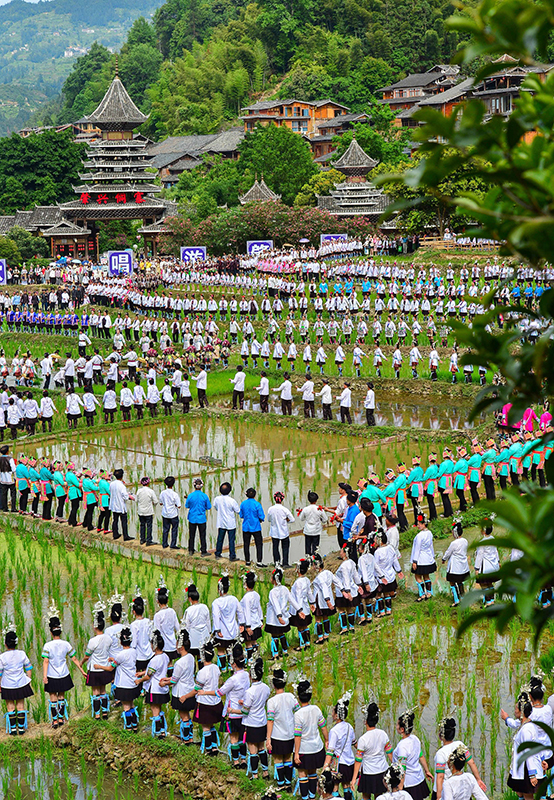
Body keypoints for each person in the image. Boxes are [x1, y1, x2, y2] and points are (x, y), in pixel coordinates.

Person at [42, 603, 85, 729]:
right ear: (60, 631)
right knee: (61, 696)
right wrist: (81, 669)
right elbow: (74, 658)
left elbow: (46, 662)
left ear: (51, 631)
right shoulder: (66, 644)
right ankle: (61, 718)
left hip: (51, 674)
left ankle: (54, 720)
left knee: (53, 697)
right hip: (64, 674)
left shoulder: (47, 646)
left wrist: (44, 676)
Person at [97, 627, 140, 732]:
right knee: (131, 704)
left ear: (120, 642)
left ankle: (129, 728)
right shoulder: (133, 652)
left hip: (123, 684)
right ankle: (135, 725)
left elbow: (111, 667)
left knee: (126, 706)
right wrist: (114, 659)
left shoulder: (120, 655)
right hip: (133, 683)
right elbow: (122, 661)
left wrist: (99, 666)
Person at [434, 716, 486, 800]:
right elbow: (471, 762)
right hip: (461, 787)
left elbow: (440, 776)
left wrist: (439, 797)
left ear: (441, 736)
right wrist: (478, 779)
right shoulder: (460, 745)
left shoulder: (441, 753)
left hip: (445, 790)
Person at [294, 678, 329, 800]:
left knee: (302, 774)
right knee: (313, 772)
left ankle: (305, 798)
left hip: (304, 749)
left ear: (298, 696)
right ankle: (312, 797)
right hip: (316, 748)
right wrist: (326, 740)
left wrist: (296, 753)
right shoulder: (316, 709)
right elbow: (323, 727)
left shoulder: (298, 714)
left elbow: (298, 736)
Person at [351, 702, 393, 800]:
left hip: (368, 773)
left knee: (366, 797)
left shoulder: (363, 739)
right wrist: (396, 767)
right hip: (382, 770)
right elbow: (390, 753)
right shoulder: (383, 734)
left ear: (365, 721)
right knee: (379, 796)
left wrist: (353, 779)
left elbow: (358, 761)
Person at [267, 666, 299, 791]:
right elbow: (297, 712)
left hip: (277, 735)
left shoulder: (272, 701)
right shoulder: (291, 696)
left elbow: (270, 720)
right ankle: (288, 784)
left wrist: (268, 738)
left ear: (273, 685)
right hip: (290, 734)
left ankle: (281, 784)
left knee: (278, 759)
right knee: (287, 758)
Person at [506, 695, 544, 800]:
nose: (514, 711)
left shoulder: (526, 729)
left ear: (522, 712)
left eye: (515, 709)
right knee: (520, 792)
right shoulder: (527, 725)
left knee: (528, 796)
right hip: (523, 766)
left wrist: (532, 775)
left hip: (527, 768)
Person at [0, 624, 34, 735]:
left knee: (10, 706)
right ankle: (21, 728)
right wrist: (28, 680)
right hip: (21, 683)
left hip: (7, 684)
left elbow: (0, 673)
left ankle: (13, 730)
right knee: (20, 706)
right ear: (16, 643)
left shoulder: (2, 657)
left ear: (5, 644)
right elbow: (28, 668)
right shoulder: (22, 654)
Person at [81, 601, 112, 721]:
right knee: (103, 690)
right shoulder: (108, 639)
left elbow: (87, 655)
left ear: (95, 626)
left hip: (94, 668)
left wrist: (81, 662)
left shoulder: (93, 641)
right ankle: (105, 713)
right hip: (104, 667)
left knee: (95, 692)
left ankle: (97, 714)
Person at [136, 630, 170, 738]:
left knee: (155, 710)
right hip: (163, 688)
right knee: (159, 709)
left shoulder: (155, 660)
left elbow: (149, 676)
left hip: (154, 688)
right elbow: (155, 671)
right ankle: (163, 730)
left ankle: (158, 733)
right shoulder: (165, 657)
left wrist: (139, 680)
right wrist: (142, 672)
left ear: (154, 646)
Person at [242, 656, 271, 779]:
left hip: (251, 723)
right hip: (262, 722)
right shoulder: (266, 688)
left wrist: (232, 710)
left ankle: (255, 775)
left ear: (251, 676)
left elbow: (245, 711)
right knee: (261, 748)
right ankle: (266, 772)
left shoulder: (250, 691)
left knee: (253, 750)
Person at [393, 710, 432, 800]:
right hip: (419, 778)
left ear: (402, 729)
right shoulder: (415, 738)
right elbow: (421, 756)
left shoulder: (402, 746)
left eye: (397, 725)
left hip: (409, 783)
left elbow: (403, 768)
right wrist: (427, 771)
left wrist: (400, 786)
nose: (396, 727)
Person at [324, 691, 356, 800]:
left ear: (337, 715)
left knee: (335, 786)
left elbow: (330, 751)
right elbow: (354, 743)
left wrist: (325, 766)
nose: (331, 713)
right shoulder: (349, 727)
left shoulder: (334, 731)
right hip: (349, 762)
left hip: (338, 764)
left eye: (333, 711)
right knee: (346, 786)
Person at [265, 566, 302, 658]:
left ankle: (275, 654)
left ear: (274, 579)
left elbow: (275, 604)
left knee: (274, 636)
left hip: (274, 618)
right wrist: (299, 610)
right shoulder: (285, 589)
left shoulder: (272, 592)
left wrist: (279, 616)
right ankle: (285, 651)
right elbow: (292, 600)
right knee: (281, 633)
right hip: (284, 617)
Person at [193, 638, 222, 755]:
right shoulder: (216, 668)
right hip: (216, 702)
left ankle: (209, 749)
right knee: (212, 725)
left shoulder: (202, 672)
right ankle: (214, 747)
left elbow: (197, 688)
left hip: (205, 703)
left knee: (206, 727)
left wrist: (185, 696)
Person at [211, 573, 245, 670]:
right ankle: (231, 667)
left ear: (219, 589)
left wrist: (217, 630)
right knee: (230, 650)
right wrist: (242, 624)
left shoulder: (216, 602)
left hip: (222, 631)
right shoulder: (234, 599)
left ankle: (223, 668)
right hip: (233, 630)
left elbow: (216, 616)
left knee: (221, 650)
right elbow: (240, 611)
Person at [182, 583, 211, 668]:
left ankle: (193, 674)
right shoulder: (204, 607)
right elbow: (208, 622)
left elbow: (186, 625)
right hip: (204, 635)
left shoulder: (189, 610)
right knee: (201, 655)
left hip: (193, 636)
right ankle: (202, 671)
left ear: (190, 599)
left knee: (192, 656)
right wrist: (209, 633)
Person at [442, 520, 470, 607]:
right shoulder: (465, 541)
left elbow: (448, 553)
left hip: (455, 566)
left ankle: (456, 600)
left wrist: (443, 559)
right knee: (460, 582)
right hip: (463, 566)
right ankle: (463, 598)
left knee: (452, 582)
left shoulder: (454, 543)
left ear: (455, 533)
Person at [153, 578, 180, 665]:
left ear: (157, 601)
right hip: (172, 643)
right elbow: (178, 628)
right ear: (167, 600)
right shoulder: (172, 611)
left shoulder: (157, 615)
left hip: (163, 645)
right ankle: (171, 677)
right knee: (170, 663)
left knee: (165, 664)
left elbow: (157, 631)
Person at [410, 512, 436, 601]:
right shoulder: (430, 533)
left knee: (418, 576)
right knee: (426, 576)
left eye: (419, 524)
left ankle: (422, 594)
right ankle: (429, 593)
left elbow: (417, 549)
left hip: (420, 559)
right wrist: (433, 556)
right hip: (428, 558)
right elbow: (431, 546)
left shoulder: (419, 536)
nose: (418, 526)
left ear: (423, 524)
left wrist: (414, 561)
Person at [311, 552, 336, 644]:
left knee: (318, 618)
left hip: (320, 598)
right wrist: (343, 590)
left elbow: (324, 587)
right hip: (326, 597)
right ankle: (326, 635)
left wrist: (328, 601)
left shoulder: (320, 577)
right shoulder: (328, 573)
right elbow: (336, 581)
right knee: (325, 616)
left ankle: (320, 637)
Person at [474, 516, 500, 607]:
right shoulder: (493, 539)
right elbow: (496, 551)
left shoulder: (482, 542)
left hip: (485, 566)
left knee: (483, 584)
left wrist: (476, 568)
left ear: (483, 531)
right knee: (490, 583)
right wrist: (498, 561)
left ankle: (489, 601)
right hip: (493, 565)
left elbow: (479, 556)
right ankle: (492, 600)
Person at [213, 482, 240, 561]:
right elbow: (238, 511)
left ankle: (218, 553)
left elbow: (215, 507)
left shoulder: (217, 499)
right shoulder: (232, 501)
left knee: (220, 538)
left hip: (221, 522)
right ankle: (232, 556)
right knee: (231, 540)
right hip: (230, 523)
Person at [240, 571, 264, 661]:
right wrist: (261, 620)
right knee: (254, 641)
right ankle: (256, 657)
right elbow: (259, 608)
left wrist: (248, 626)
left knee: (248, 643)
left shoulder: (246, 597)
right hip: (256, 621)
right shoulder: (256, 594)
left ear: (245, 584)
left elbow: (247, 612)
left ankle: (250, 660)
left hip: (249, 623)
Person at [267, 491, 294, 567]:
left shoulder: (270, 509)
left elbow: (269, 519)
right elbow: (292, 519)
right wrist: (286, 520)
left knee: (275, 548)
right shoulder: (285, 510)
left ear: (274, 499)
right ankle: (285, 563)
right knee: (285, 548)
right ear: (282, 499)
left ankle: (277, 563)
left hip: (274, 532)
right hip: (284, 532)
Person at [185, 478, 211, 556]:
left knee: (191, 535)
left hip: (192, 518)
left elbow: (187, 506)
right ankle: (203, 551)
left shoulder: (190, 496)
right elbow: (208, 507)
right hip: (201, 519)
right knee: (202, 535)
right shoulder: (204, 496)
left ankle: (191, 550)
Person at [240, 487, 265, 566]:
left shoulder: (243, 504)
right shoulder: (257, 504)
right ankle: (259, 562)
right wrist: (260, 519)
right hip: (256, 527)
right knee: (259, 544)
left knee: (246, 544)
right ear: (255, 495)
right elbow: (261, 516)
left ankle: (247, 561)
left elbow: (241, 515)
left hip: (246, 527)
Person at [298, 491, 328, 556]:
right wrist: (320, 519)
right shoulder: (319, 509)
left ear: (308, 500)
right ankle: (315, 560)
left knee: (307, 547)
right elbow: (325, 519)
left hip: (308, 530)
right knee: (315, 548)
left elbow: (301, 518)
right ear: (316, 500)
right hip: (316, 530)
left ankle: (308, 560)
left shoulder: (305, 509)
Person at [130, 591, 154, 672]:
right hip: (149, 653)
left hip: (139, 656)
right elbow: (151, 637)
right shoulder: (148, 621)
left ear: (134, 611)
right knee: (146, 673)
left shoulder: (134, 625)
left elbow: (134, 643)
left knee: (137, 674)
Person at [109, 468, 134, 541]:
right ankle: (125, 536)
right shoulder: (122, 486)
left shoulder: (111, 484)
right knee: (124, 521)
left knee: (115, 520)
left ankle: (115, 534)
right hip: (120, 506)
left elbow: (111, 492)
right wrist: (129, 496)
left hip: (113, 504)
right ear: (122, 476)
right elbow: (125, 497)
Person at [160, 476, 181, 550]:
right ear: (173, 484)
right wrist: (174, 505)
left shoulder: (162, 493)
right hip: (173, 514)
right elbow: (179, 506)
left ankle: (164, 543)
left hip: (165, 514)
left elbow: (161, 503)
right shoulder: (175, 494)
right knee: (174, 529)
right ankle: (173, 544)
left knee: (165, 529)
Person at [136, 476, 158, 546]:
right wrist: (152, 503)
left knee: (142, 525)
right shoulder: (150, 491)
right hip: (148, 512)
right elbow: (156, 501)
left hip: (141, 511)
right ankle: (149, 540)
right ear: (148, 483)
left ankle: (142, 539)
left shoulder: (139, 491)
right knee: (149, 526)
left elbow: (136, 500)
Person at [0, 445, 16, 513]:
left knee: (4, 494)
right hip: (10, 479)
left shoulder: (0, 459)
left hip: (2, 479)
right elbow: (14, 469)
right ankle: (13, 508)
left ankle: (4, 508)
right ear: (7, 451)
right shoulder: (10, 459)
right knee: (13, 494)